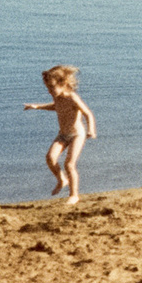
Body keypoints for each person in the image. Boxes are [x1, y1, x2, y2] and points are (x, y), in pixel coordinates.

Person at [24, 64, 99, 204]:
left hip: (77, 135)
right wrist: (37, 106)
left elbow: (87, 113)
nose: (49, 91)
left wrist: (91, 130)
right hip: (63, 134)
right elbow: (56, 107)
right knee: (50, 158)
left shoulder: (72, 97)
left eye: (52, 87)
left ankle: (74, 195)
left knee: (69, 164)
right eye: (47, 88)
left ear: (63, 84)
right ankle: (62, 179)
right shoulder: (57, 98)